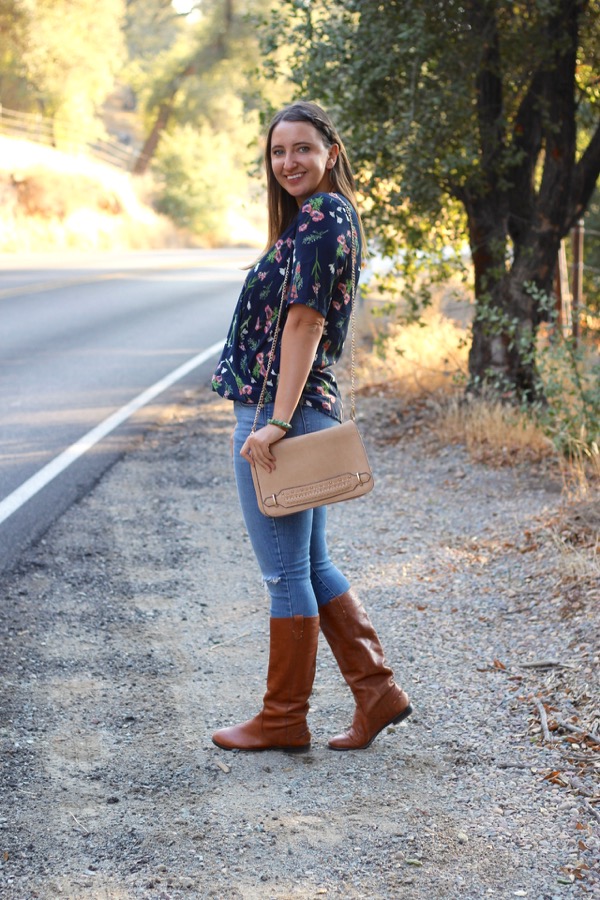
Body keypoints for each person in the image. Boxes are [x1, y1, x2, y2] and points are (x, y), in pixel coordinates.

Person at [211, 101, 412, 753]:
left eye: (301, 148)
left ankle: (282, 717)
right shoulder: (320, 218)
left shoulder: (324, 216)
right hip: (302, 406)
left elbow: (305, 322)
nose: (288, 162)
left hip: (285, 409)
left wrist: (272, 422)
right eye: (277, 152)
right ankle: (376, 691)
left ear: (331, 150)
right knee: (311, 561)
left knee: (284, 572)